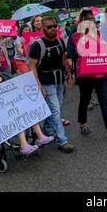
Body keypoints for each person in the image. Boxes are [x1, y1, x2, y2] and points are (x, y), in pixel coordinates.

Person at [0, 54, 54, 156]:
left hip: (6, 108)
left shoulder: (6, 76)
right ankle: (24, 145)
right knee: (15, 115)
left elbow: (18, 90)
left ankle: (40, 136)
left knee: (28, 108)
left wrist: (35, 88)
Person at [68, 9, 107, 141]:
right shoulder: (76, 34)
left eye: (91, 19)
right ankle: (82, 123)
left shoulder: (98, 33)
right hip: (85, 75)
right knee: (85, 99)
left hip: (101, 73)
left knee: (105, 101)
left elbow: (104, 47)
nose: (90, 21)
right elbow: (77, 49)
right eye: (86, 19)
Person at [28, 16, 75, 153]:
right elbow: (32, 66)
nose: (53, 28)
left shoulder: (60, 40)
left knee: (57, 109)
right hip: (46, 82)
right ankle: (62, 141)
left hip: (59, 80)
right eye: (49, 27)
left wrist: (69, 75)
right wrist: (39, 85)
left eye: (55, 26)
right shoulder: (37, 45)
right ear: (43, 29)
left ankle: (46, 133)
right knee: (55, 111)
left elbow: (64, 58)